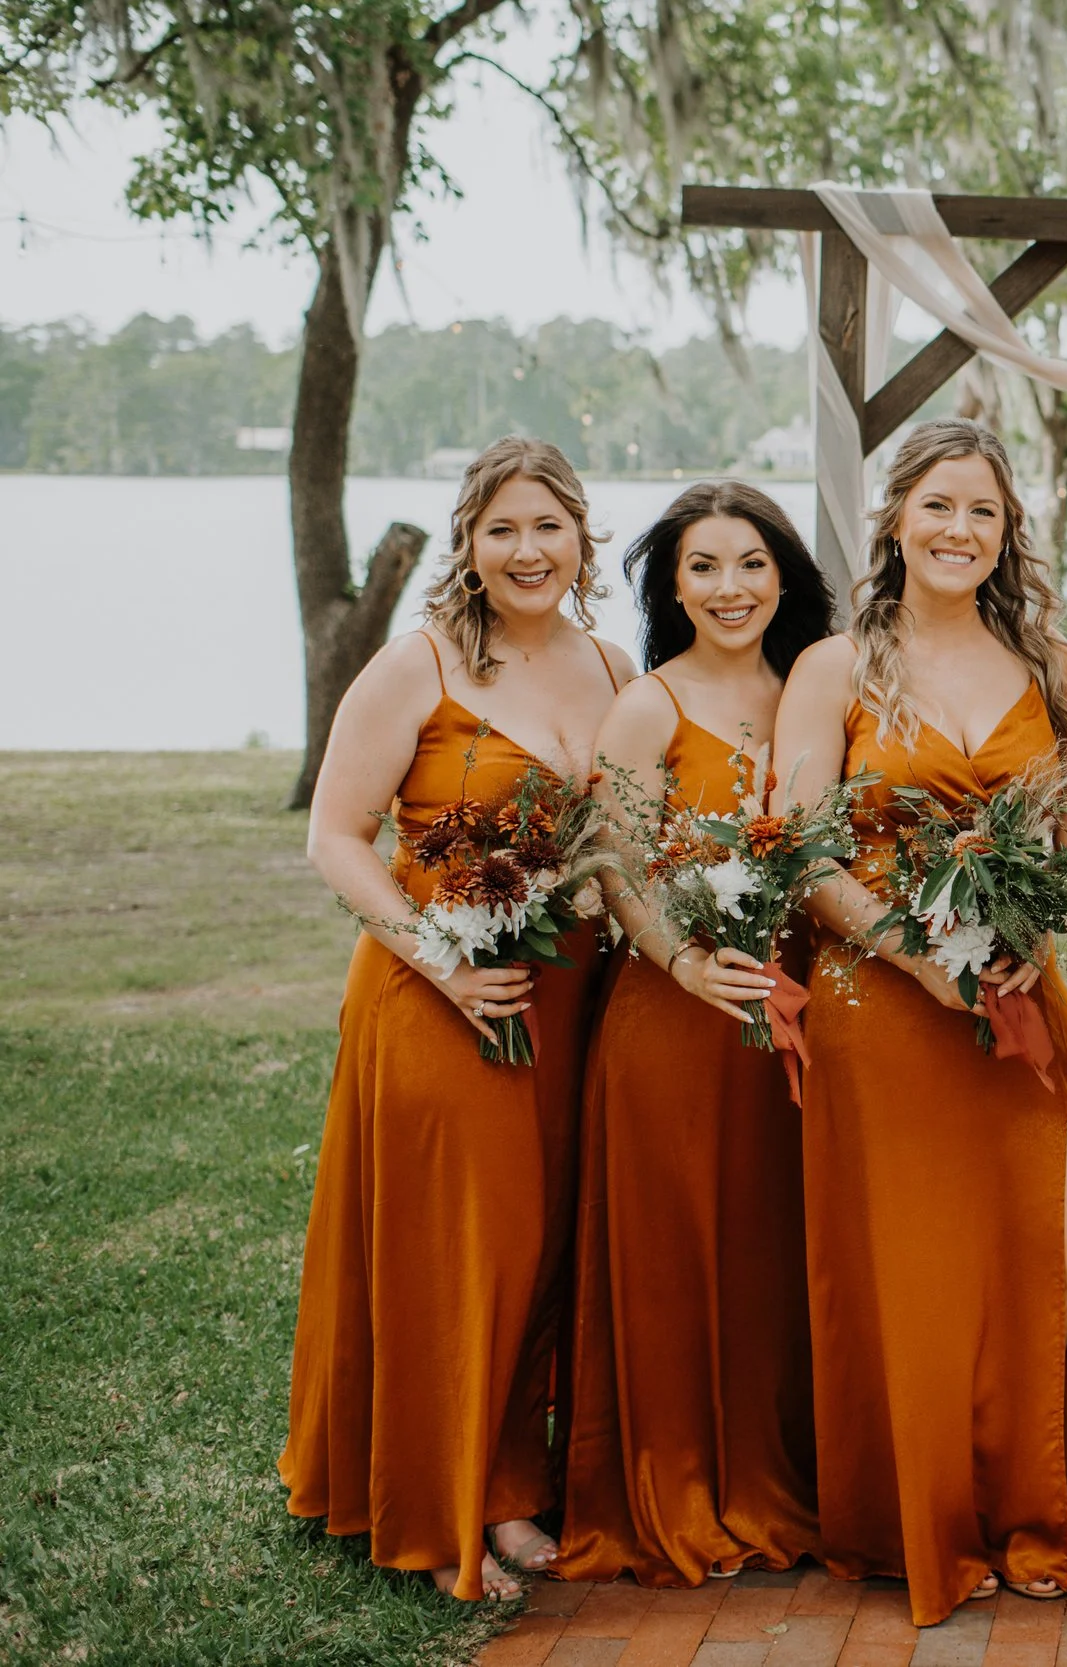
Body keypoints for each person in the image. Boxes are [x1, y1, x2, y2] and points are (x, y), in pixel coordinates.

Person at [284, 436, 632, 1600]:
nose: (527, 550)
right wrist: (442, 959)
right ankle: (436, 1512)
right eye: (502, 529)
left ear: (583, 537)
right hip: (439, 993)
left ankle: (510, 1487)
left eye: (548, 526)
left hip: (570, 993)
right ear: (468, 545)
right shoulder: (416, 665)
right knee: (458, 1251)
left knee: (541, 1247)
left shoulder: (615, 666)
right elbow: (337, 836)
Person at [772, 420, 1067, 1625]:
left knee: (1052, 1252)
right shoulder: (838, 666)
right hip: (884, 1001)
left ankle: (1034, 1503)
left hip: (1015, 998)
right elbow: (801, 842)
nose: (961, 531)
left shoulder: (1046, 664)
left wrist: (1037, 927)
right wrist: (913, 953)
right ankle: (930, 1520)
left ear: (1008, 534)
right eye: (941, 506)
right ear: (896, 518)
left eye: (985, 513)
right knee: (917, 1272)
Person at [551, 481, 835, 1587]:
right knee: (677, 1256)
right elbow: (613, 860)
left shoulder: (822, 688)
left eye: (752, 563)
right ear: (670, 584)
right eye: (705, 567)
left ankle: (781, 1479)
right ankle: (674, 1490)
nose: (731, 588)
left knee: (776, 1252)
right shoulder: (652, 704)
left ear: (785, 576)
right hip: (676, 1017)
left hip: (801, 1008)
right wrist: (679, 956)